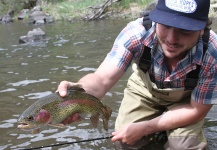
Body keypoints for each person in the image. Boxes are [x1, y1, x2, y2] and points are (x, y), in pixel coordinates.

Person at [58, 0, 217, 149]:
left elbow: (197, 110)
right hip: (144, 91)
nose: (171, 39)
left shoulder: (212, 53)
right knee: (125, 141)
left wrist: (147, 127)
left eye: (185, 30)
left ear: (202, 28)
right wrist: (77, 93)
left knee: (184, 146)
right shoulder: (136, 33)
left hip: (187, 102)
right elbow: (101, 79)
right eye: (166, 25)